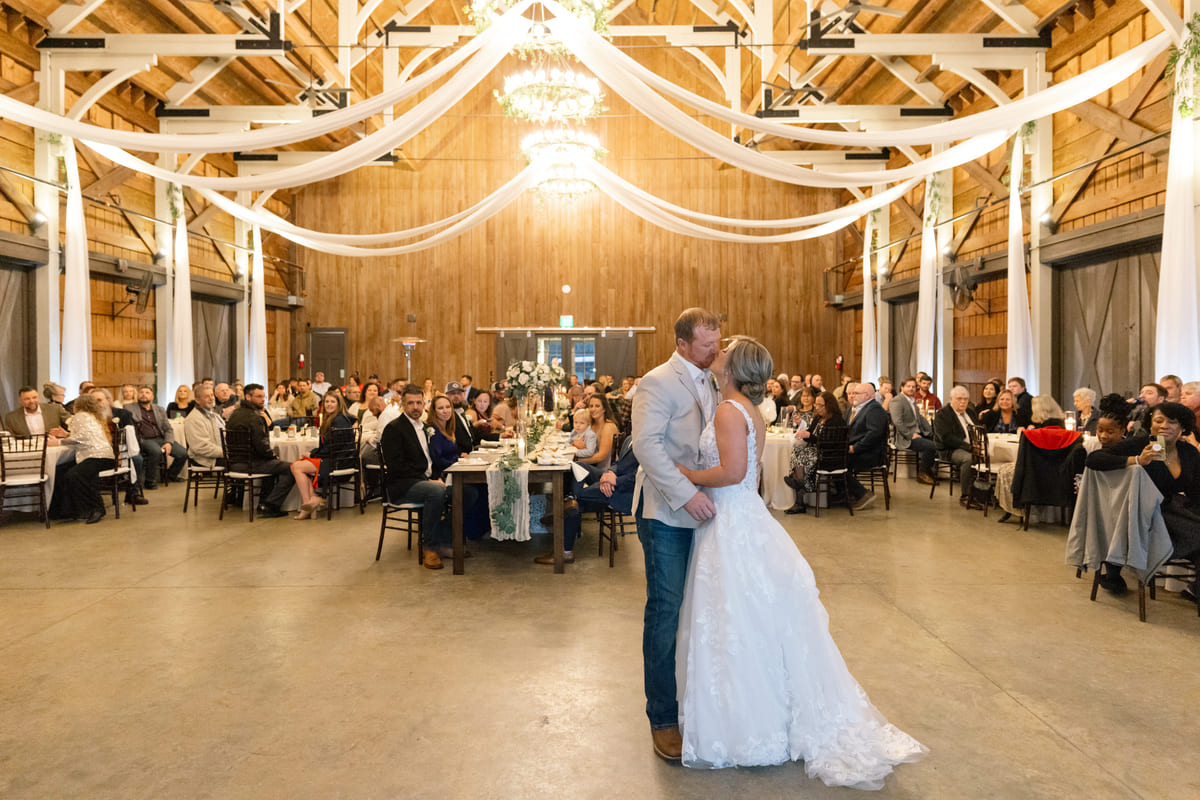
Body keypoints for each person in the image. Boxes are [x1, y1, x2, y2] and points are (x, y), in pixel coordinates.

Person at [671, 336, 927, 782]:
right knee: (753, 620)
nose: (718, 353)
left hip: (731, 522)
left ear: (735, 368)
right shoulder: (748, 409)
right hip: (742, 517)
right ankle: (764, 711)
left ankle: (746, 722)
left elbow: (732, 473)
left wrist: (686, 474)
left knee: (736, 620)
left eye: (725, 350)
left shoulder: (730, 411)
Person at [631, 307, 721, 762]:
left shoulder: (712, 377)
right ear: (683, 343)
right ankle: (662, 717)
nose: (715, 351)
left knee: (700, 609)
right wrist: (687, 495)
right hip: (666, 512)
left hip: (707, 507)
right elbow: (645, 446)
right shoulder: (657, 381)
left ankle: (700, 703)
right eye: (707, 345)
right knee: (666, 612)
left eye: (717, 343)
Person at [1085, 402, 1200, 603]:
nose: (1164, 426)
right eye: (1158, 421)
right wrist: (1136, 460)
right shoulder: (1140, 444)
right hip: (1140, 513)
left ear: (1183, 427)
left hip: (1171, 509)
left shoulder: (1188, 453)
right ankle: (1115, 568)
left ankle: (1195, 588)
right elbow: (1094, 459)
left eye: (1172, 422)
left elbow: (1195, 490)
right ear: (1151, 424)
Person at [379, 384, 454, 570]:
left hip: (427, 480)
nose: (415, 407)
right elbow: (397, 467)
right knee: (435, 492)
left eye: (419, 403)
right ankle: (429, 547)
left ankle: (443, 540)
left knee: (465, 492)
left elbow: (431, 460)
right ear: (403, 404)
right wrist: (427, 480)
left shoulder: (425, 427)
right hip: (403, 485)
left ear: (424, 403)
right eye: (410, 403)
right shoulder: (394, 429)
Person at [535, 434, 639, 565]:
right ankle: (568, 502)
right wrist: (610, 474)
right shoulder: (631, 437)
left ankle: (565, 549)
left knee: (576, 502)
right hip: (613, 481)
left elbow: (640, 476)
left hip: (623, 491)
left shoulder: (647, 441)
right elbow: (618, 464)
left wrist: (616, 481)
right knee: (577, 466)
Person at [225, 384, 295, 518]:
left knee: (273, 466)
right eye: (258, 397)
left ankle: (264, 503)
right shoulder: (255, 417)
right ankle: (270, 504)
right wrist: (273, 456)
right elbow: (262, 447)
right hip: (249, 464)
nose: (262, 400)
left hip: (233, 463)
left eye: (264, 396)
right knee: (291, 468)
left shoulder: (235, 414)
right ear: (248, 397)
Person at [290, 392, 355, 519]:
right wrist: (313, 453)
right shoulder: (333, 418)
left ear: (339, 403)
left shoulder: (339, 421)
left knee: (297, 467)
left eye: (332, 402)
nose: (329, 404)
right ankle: (312, 498)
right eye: (327, 402)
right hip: (333, 457)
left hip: (339, 461)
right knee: (296, 465)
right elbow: (328, 446)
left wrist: (313, 453)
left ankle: (307, 503)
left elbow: (334, 447)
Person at [57, 393, 116, 524]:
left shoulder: (80, 416)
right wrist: (66, 434)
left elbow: (82, 437)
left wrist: (59, 442)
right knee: (63, 471)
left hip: (96, 456)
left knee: (75, 475)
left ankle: (96, 508)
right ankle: (74, 509)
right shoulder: (92, 417)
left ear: (77, 405)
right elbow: (85, 435)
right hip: (105, 456)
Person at [783, 388, 839, 514]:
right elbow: (810, 431)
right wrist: (802, 427)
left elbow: (827, 442)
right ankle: (800, 484)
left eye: (820, 405)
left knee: (803, 454)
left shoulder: (835, 421)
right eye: (816, 404)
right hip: (816, 450)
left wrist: (808, 436)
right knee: (798, 450)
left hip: (827, 454)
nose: (817, 407)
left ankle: (798, 485)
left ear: (829, 405)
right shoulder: (818, 418)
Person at [90, 388, 147, 507]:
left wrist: (119, 452)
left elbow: (130, 436)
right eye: (93, 401)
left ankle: (132, 493)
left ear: (108, 400)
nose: (97, 404)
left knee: (137, 459)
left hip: (122, 449)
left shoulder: (123, 414)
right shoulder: (89, 417)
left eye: (100, 400)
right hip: (97, 450)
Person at [132, 385, 187, 488]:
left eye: (147, 392)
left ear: (152, 396)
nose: (144, 394)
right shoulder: (131, 408)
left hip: (160, 438)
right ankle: (150, 481)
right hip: (144, 439)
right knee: (156, 451)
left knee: (183, 453)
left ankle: (170, 475)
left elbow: (168, 428)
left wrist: (168, 442)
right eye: (141, 392)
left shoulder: (159, 409)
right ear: (137, 395)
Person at [845, 381, 888, 510]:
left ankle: (862, 494)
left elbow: (874, 434)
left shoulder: (874, 409)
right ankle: (845, 494)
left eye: (857, 393)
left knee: (835, 462)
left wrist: (855, 447)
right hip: (862, 451)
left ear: (867, 395)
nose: (853, 396)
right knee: (834, 459)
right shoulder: (863, 408)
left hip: (869, 454)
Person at [932, 385, 979, 504]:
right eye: (959, 399)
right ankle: (966, 495)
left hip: (973, 446)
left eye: (965, 399)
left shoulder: (970, 413)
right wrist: (969, 447)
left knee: (992, 456)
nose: (963, 402)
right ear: (951, 399)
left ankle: (985, 494)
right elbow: (946, 438)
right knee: (968, 459)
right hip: (950, 450)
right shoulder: (942, 414)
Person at [890, 376, 937, 485]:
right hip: (905, 437)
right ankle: (923, 474)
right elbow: (898, 422)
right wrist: (911, 435)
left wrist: (930, 431)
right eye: (908, 386)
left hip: (918, 432)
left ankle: (928, 471)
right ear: (902, 387)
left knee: (938, 442)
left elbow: (919, 418)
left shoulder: (911, 400)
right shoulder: (897, 400)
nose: (911, 389)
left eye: (913, 387)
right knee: (930, 446)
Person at [183, 384, 225, 471]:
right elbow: (200, 447)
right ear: (197, 400)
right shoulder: (193, 419)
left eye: (212, 395)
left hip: (220, 454)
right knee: (243, 464)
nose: (211, 398)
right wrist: (225, 452)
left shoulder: (215, 415)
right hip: (205, 460)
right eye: (207, 396)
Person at [3, 386, 69, 438]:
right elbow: (9, 439)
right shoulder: (11, 417)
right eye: (27, 399)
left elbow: (74, 423)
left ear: (39, 397)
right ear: (20, 401)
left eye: (34, 397)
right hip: (26, 452)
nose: (31, 401)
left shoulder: (55, 409)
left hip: (53, 450)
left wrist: (66, 434)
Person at [577, 394, 620, 475]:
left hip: (606, 471)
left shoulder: (608, 426)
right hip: (593, 466)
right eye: (591, 406)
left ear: (604, 409)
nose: (593, 409)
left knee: (576, 466)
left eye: (597, 406)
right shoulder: (592, 425)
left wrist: (577, 459)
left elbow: (601, 456)